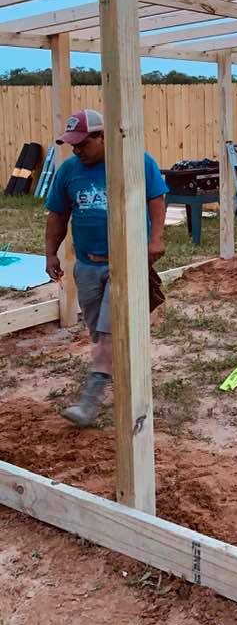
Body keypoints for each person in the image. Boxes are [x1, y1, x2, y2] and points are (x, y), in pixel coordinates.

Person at [45, 109, 168, 428]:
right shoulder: (69, 171)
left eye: (83, 144)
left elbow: (156, 197)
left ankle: (91, 400)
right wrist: (50, 254)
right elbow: (57, 215)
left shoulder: (136, 161)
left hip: (125, 265)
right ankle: (117, 371)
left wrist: (156, 238)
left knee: (108, 332)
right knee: (99, 332)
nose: (77, 150)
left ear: (103, 138)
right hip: (86, 266)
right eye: (73, 145)